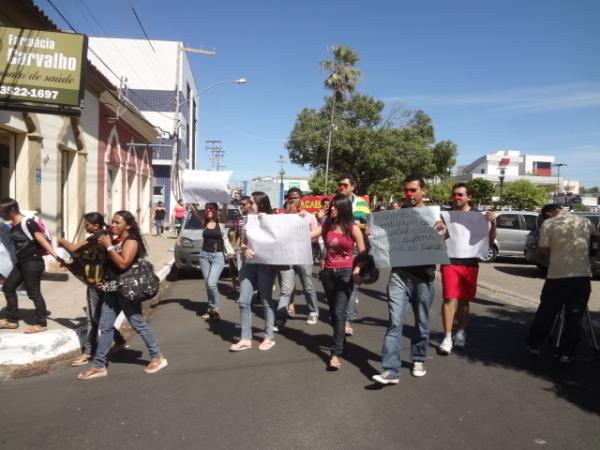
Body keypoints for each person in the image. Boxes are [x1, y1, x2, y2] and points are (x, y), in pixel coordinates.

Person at [372, 175, 447, 384]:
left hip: (424, 278)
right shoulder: (397, 215)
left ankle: (419, 357)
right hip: (399, 275)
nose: (409, 194)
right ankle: (391, 370)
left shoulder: (435, 216)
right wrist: (375, 231)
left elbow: (442, 245)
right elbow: (383, 241)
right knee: (394, 322)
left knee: (422, 323)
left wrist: (442, 232)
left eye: (413, 190)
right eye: (406, 190)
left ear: (424, 191)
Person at [77, 210, 167, 380]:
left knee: (137, 323)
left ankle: (157, 357)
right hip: (112, 288)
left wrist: (109, 246)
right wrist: (103, 281)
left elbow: (124, 263)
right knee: (105, 325)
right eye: (112, 222)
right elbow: (111, 265)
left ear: (128, 225)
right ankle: (99, 365)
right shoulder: (114, 238)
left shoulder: (131, 240)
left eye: (118, 222)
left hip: (127, 289)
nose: (113, 225)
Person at [526, 205, 599, 363]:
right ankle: (566, 352)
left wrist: (554, 253)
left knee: (547, 312)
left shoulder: (550, 223)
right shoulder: (584, 220)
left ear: (548, 214)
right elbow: (596, 237)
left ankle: (534, 345)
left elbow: (544, 250)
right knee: (574, 316)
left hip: (558, 276)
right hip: (582, 276)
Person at [58, 212, 128, 366]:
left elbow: (75, 249)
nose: (85, 226)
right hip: (103, 282)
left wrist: (61, 240)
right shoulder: (106, 236)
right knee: (99, 318)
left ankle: (89, 352)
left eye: (87, 224)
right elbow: (86, 257)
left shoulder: (97, 237)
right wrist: (71, 265)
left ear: (95, 226)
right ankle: (119, 340)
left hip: (98, 283)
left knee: (93, 318)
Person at [438, 183, 496, 355]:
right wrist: (441, 230)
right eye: (454, 194)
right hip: (449, 260)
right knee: (449, 298)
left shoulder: (480, 216)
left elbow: (490, 240)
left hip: (470, 262)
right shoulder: (445, 215)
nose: (456, 198)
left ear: (469, 197)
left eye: (460, 195)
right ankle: (447, 336)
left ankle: (461, 331)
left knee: (464, 300)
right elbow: (442, 237)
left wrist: (493, 224)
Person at [310, 194, 365, 369]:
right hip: (328, 274)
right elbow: (308, 235)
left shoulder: (353, 228)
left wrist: (357, 271)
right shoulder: (326, 226)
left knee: (340, 313)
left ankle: (335, 354)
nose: (331, 208)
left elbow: (363, 254)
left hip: (346, 273)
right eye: (331, 206)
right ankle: (340, 339)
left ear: (344, 208)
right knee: (334, 313)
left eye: (335, 206)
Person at [0, 198, 61, 333]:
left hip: (33, 263)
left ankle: (41, 323)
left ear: (11, 210)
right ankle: (12, 320)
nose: (1, 214)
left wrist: (56, 256)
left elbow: (41, 240)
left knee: (34, 293)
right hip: (21, 263)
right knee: (8, 287)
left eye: (3, 211)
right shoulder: (12, 225)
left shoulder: (28, 222)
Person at [230, 192, 278, 352]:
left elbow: (281, 239)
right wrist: (244, 249)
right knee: (244, 301)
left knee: (265, 300)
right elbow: (242, 243)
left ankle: (269, 337)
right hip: (248, 265)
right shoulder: (246, 220)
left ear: (261, 204)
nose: (248, 204)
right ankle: (245, 338)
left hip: (265, 265)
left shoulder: (271, 221)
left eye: (251, 202)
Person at [275, 188, 320, 330]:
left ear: (301, 199)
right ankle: (280, 318)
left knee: (307, 285)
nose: (293, 200)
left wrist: (301, 238)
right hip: (287, 258)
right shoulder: (282, 217)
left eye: (295, 197)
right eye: (290, 197)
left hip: (303, 256)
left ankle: (313, 311)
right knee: (285, 289)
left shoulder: (309, 217)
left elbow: (316, 238)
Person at [337, 174, 370, 337]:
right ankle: (342, 316)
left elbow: (369, 226)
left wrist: (360, 227)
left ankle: (347, 320)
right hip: (337, 250)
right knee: (341, 286)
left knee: (350, 284)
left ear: (352, 187)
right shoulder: (336, 202)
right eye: (340, 185)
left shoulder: (361, 204)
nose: (341, 188)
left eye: (344, 185)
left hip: (356, 249)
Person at [190, 202, 230, 321]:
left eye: (211, 208)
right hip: (204, 256)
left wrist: (225, 201)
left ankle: (215, 309)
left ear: (216, 210)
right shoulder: (204, 222)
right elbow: (196, 212)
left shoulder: (220, 222)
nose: (208, 210)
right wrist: (190, 200)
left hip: (218, 256)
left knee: (212, 283)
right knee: (208, 284)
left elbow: (225, 210)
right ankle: (211, 308)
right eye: (207, 209)